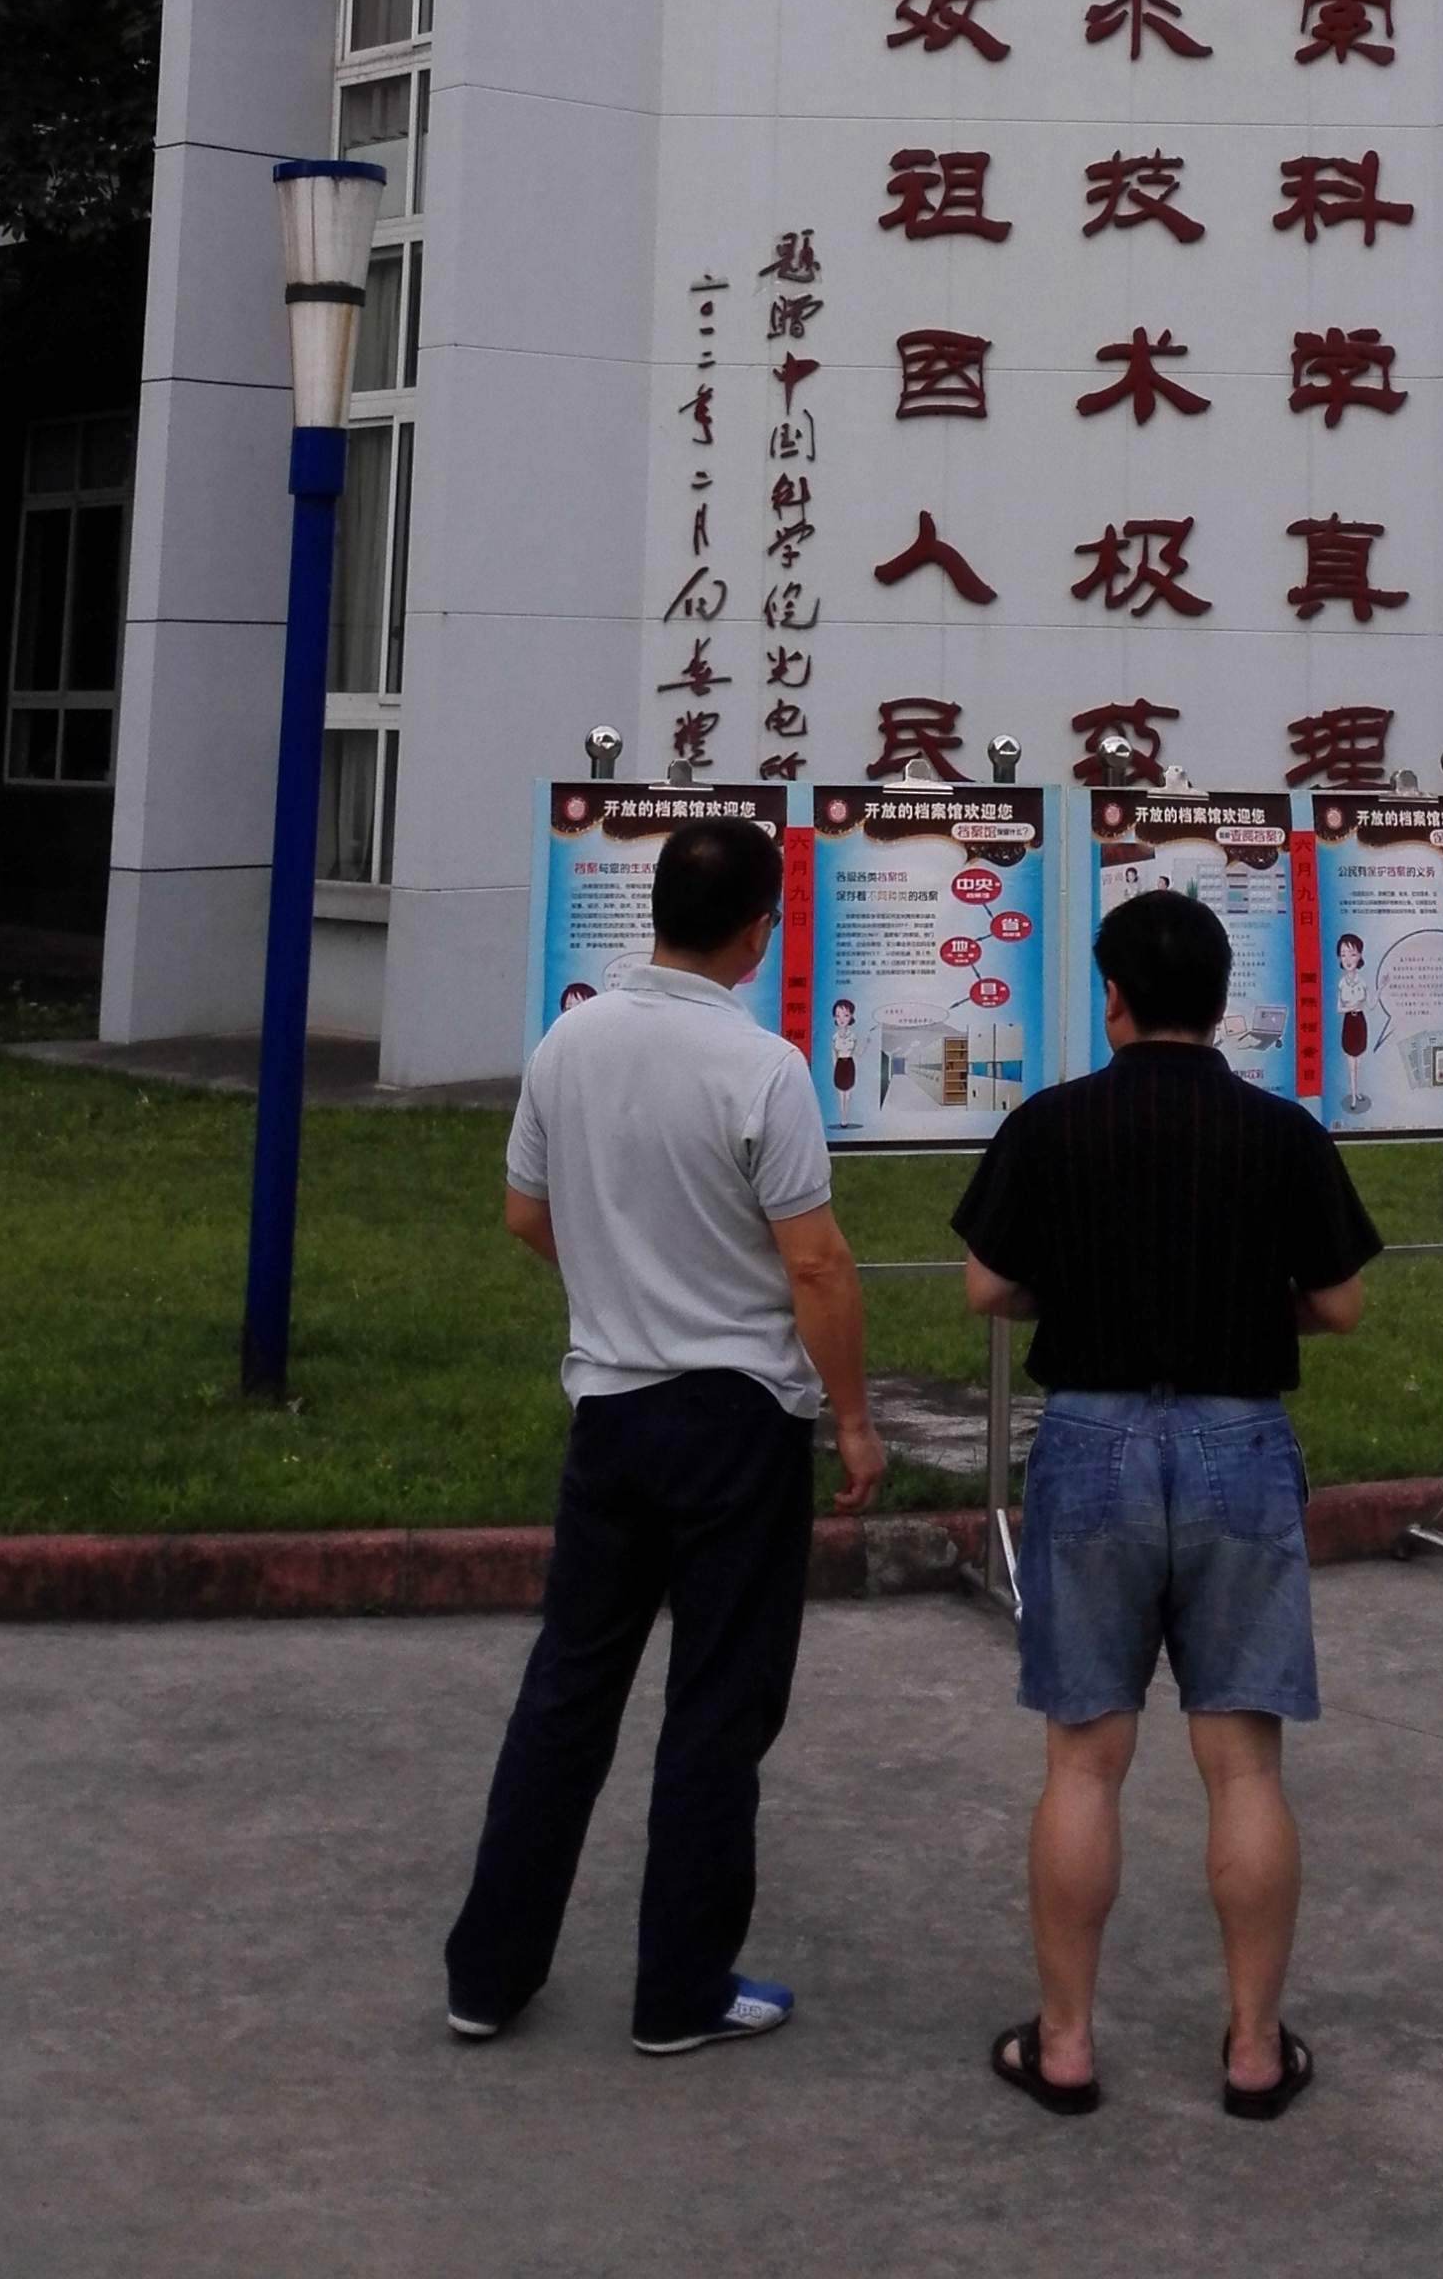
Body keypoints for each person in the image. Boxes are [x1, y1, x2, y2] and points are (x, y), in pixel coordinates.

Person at [444, 814, 885, 2056]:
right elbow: (817, 1263)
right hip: (737, 1418)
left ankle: (486, 1974)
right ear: (758, 928)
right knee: (717, 1703)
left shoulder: (568, 1041)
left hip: (611, 1410)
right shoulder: (763, 1067)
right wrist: (854, 1419)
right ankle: (679, 1989)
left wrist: (617, 1284)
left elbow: (524, 1213)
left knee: (568, 1689)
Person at [953, 887, 1382, 2122]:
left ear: (1113, 998)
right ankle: (1251, 2049)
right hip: (1238, 1438)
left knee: (1084, 1757)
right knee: (1241, 1760)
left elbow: (988, 1284)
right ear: (1221, 999)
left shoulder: (1049, 1122)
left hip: (1089, 1438)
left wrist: (1078, 1293)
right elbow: (1340, 1301)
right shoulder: (1279, 1130)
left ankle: (1065, 2044)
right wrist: (1250, 1301)